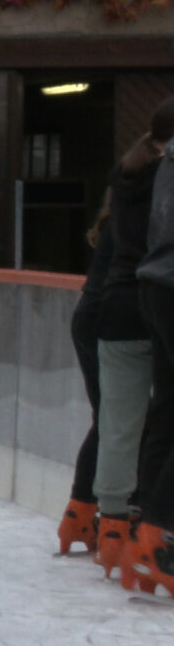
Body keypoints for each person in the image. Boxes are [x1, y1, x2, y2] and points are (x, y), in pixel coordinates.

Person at [91, 117, 170, 575]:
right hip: (152, 301)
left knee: (119, 424)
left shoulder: (128, 177)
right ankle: (146, 522)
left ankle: (114, 524)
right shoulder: (164, 179)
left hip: (119, 306)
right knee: (157, 420)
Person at [120, 98, 174, 590]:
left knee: (166, 409)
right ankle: (160, 535)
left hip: (156, 289)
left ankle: (146, 527)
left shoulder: (162, 165)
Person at [57, 193, 116, 554]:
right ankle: (99, 516)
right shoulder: (129, 224)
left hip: (92, 319)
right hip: (105, 323)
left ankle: (82, 513)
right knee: (115, 419)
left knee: (110, 418)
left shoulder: (116, 223)